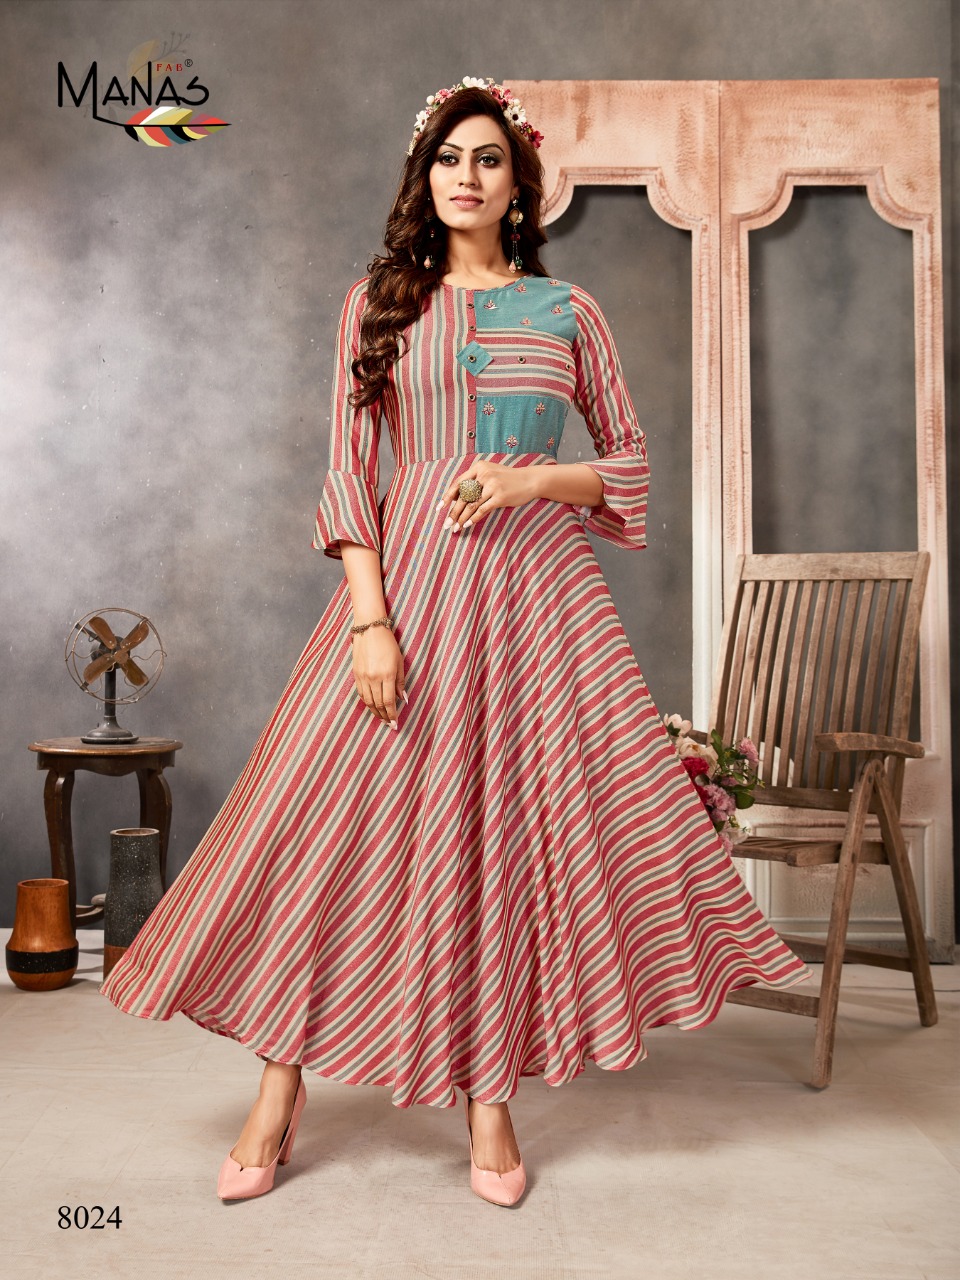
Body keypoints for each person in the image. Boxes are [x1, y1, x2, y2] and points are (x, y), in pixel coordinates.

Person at [99, 74, 812, 1209]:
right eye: (447, 158)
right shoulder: (378, 302)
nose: (466, 177)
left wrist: (533, 479)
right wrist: (370, 621)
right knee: (334, 834)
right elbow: (352, 474)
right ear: (423, 177)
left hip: (540, 605)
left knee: (507, 841)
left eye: (487, 159)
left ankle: (489, 1097)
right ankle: (279, 1090)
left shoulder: (568, 311)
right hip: (409, 597)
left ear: (520, 183)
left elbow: (628, 462)